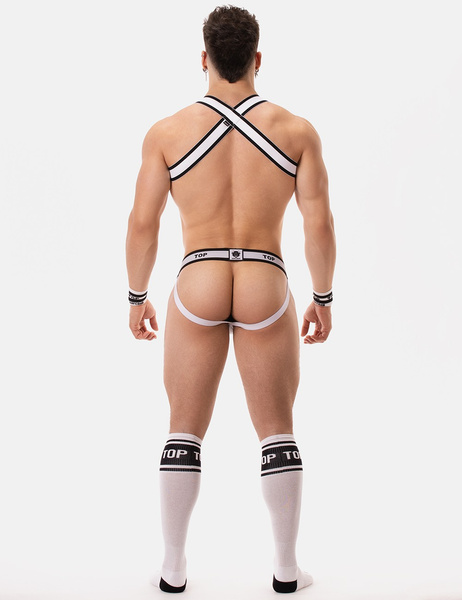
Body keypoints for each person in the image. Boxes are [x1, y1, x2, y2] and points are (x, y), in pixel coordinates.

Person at [125, 5, 336, 594]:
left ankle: (172, 569)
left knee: (183, 430)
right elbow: (319, 226)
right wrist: (322, 297)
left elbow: (142, 225)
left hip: (199, 276)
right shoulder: (297, 132)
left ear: (204, 59)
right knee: (277, 431)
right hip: (266, 279)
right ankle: (287, 571)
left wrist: (137, 296)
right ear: (257, 59)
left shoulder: (167, 133)